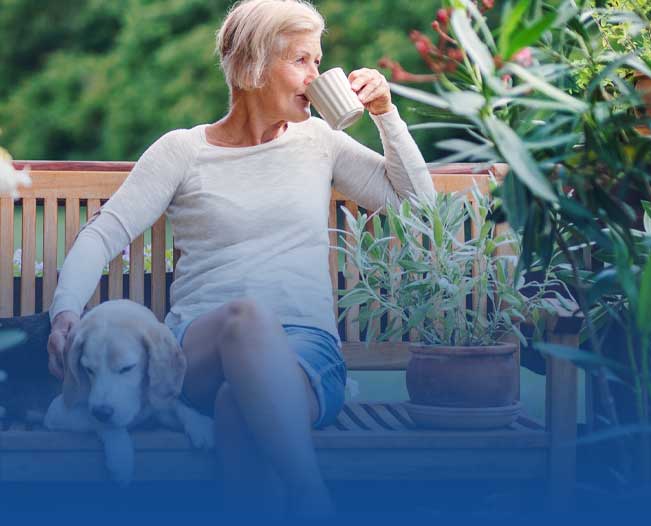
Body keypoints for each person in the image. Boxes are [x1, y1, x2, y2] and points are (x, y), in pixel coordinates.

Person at [46, 0, 435, 518]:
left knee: (238, 406)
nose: (316, 76)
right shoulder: (182, 151)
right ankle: (312, 497)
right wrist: (65, 312)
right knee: (246, 317)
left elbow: (418, 207)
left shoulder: (321, 141)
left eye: (318, 63)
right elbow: (103, 235)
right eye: (302, 61)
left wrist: (385, 113)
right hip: (196, 352)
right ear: (252, 66)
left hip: (307, 352)